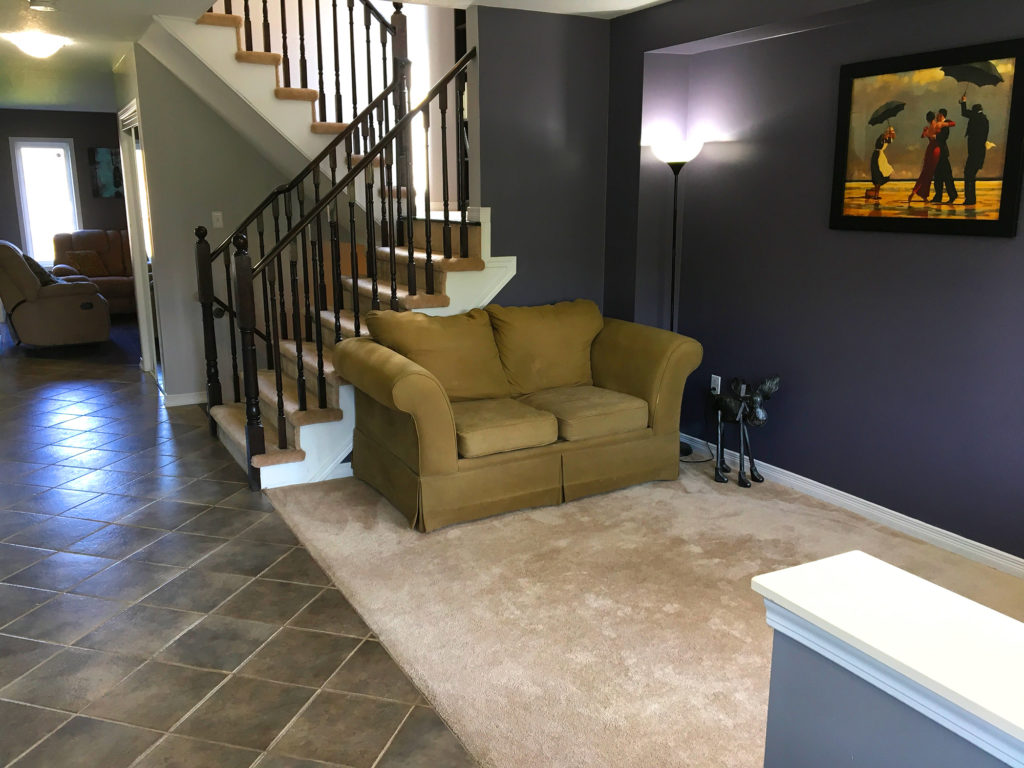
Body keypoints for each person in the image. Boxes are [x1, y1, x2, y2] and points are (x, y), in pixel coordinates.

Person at [908, 111, 955, 203]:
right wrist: (943, 123)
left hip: (930, 150)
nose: (938, 116)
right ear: (934, 117)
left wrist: (928, 133)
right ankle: (928, 195)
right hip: (936, 151)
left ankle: (917, 192)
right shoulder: (939, 124)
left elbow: (923, 136)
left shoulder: (928, 128)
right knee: (933, 174)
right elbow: (953, 124)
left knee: (927, 172)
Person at [960, 95, 990, 206]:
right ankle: (971, 199)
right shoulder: (985, 120)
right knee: (971, 175)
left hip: (974, 153)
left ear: (975, 111)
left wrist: (963, 102)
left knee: (968, 175)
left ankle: (970, 199)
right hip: (980, 153)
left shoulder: (976, 118)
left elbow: (965, 113)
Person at [930, 108, 957, 203]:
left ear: (941, 115)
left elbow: (944, 136)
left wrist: (935, 136)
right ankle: (938, 196)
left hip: (943, 153)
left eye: (938, 115)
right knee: (937, 176)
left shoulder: (946, 123)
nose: (937, 116)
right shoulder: (937, 125)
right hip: (937, 153)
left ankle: (952, 195)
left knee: (947, 176)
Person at [867, 126, 895, 199]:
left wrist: (891, 134)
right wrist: (886, 135)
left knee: (884, 175)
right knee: (878, 175)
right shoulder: (882, 137)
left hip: (880, 157)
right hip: (877, 157)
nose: (890, 134)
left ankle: (874, 192)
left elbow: (891, 140)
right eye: (890, 132)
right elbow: (879, 144)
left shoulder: (886, 138)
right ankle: (876, 194)